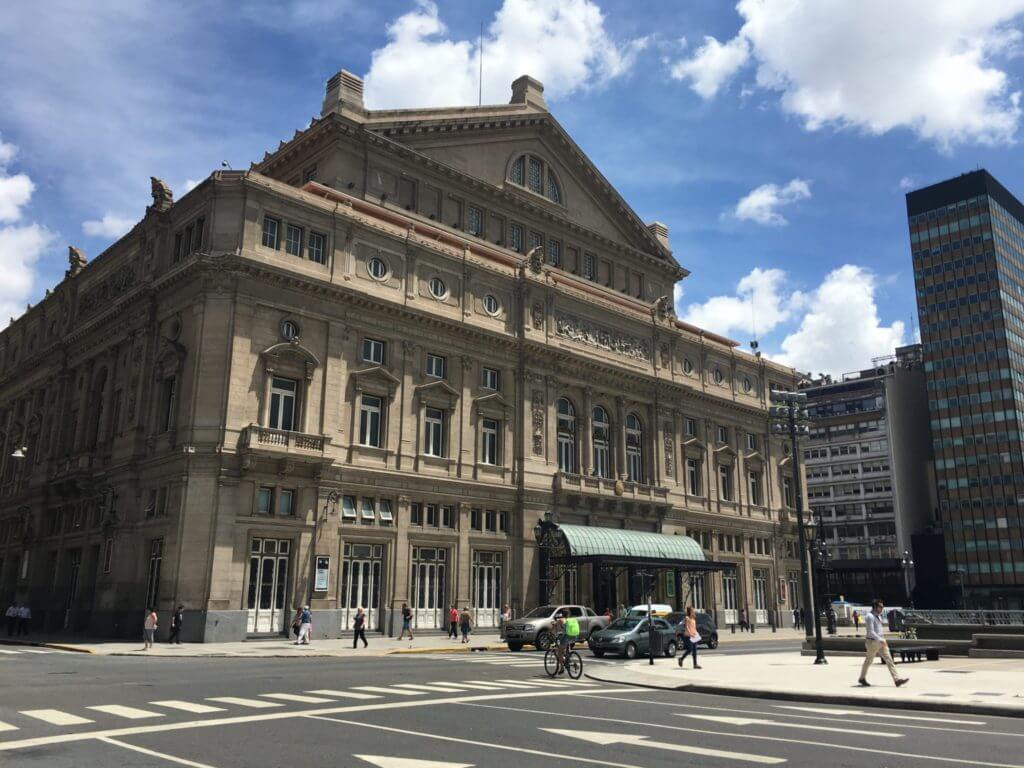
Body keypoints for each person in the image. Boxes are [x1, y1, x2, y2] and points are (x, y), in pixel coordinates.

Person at [859, 599, 908, 688]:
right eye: (880, 607)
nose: (882, 608)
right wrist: (880, 640)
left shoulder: (879, 616)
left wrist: (882, 639)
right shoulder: (869, 616)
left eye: (882, 606)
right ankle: (862, 678)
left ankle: (897, 680)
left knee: (889, 660)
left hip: (881, 641)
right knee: (869, 661)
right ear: (875, 607)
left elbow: (879, 630)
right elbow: (870, 632)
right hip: (872, 642)